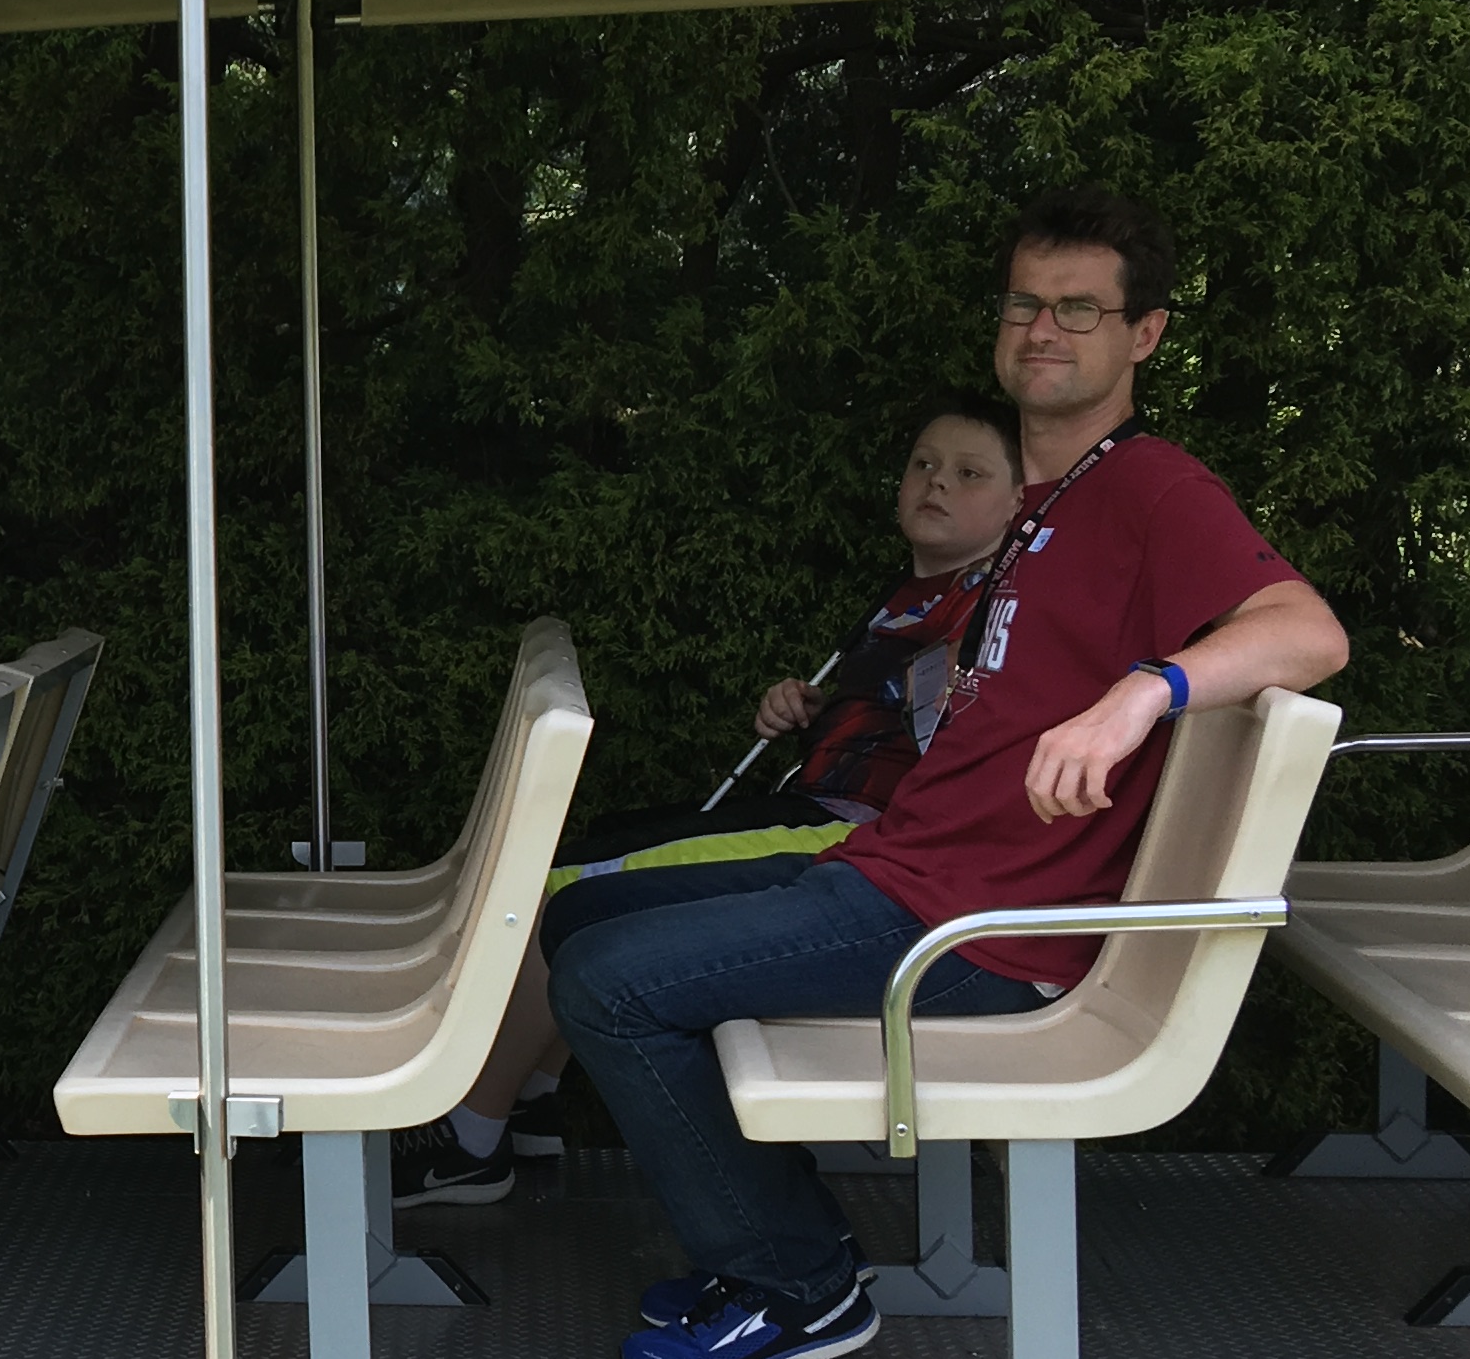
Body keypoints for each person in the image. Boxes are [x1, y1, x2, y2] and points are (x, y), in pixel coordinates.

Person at [549, 186, 1348, 1359]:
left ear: (1146, 337)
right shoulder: (1038, 506)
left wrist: (1145, 694)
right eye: (1027, 303)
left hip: (981, 925)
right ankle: (762, 1241)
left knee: (606, 984)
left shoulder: (1149, 487)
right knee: (576, 917)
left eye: (1082, 310)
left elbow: (1309, 632)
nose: (1045, 331)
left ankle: (798, 1283)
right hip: (910, 869)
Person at [387, 395, 1024, 1211]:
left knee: (556, 893)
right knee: (583, 863)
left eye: (968, 474)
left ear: (1019, 504)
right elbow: (892, 721)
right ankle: (531, 1101)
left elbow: (962, 744)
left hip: (849, 845)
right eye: (923, 465)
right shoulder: (911, 594)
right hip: (820, 808)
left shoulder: (984, 609)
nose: (935, 483)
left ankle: (472, 1143)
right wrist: (816, 710)